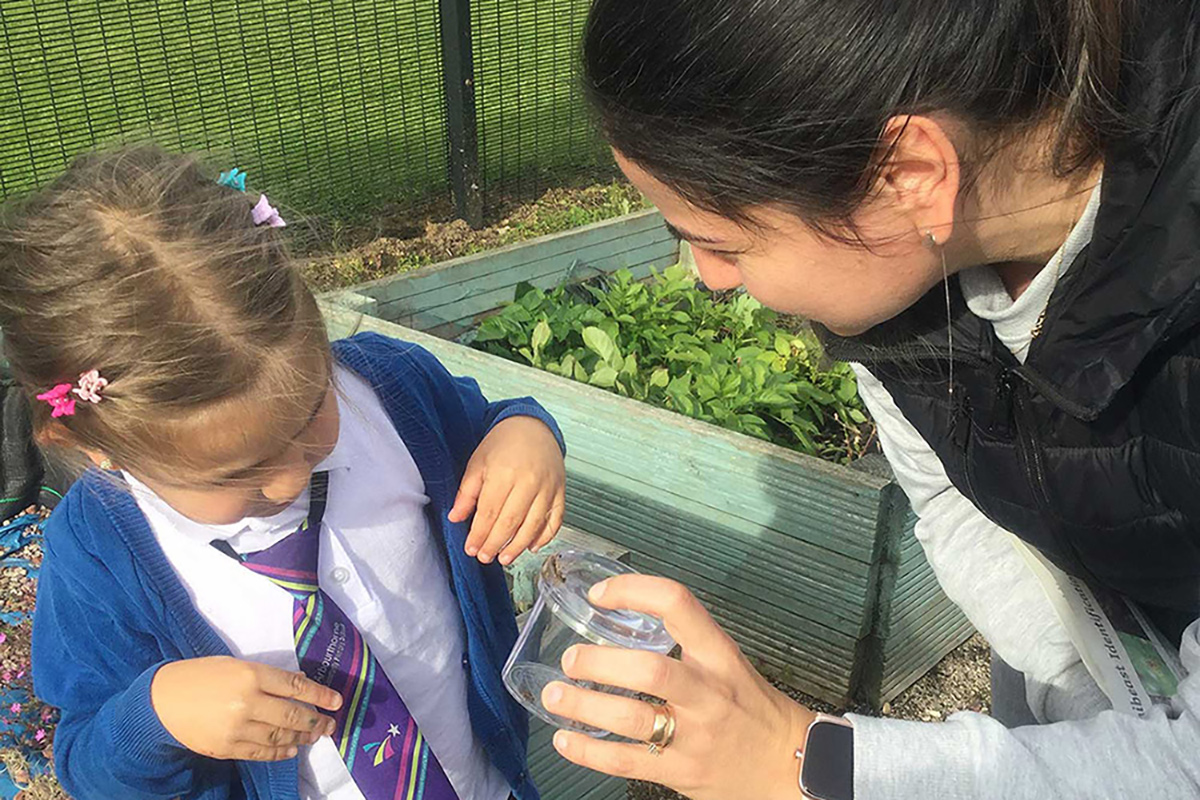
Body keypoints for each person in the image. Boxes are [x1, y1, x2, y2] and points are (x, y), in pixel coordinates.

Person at [538, 0, 1200, 798]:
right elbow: (957, 505)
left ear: (910, 177)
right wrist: (1093, 718)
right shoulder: (901, 291)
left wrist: (801, 760)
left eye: (721, 242)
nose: (702, 276)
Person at [2, 145, 568, 800]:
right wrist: (156, 715)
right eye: (235, 474)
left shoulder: (393, 392)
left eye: (307, 418)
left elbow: (491, 420)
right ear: (91, 444)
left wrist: (524, 434)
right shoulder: (98, 552)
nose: (290, 481)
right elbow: (87, 760)